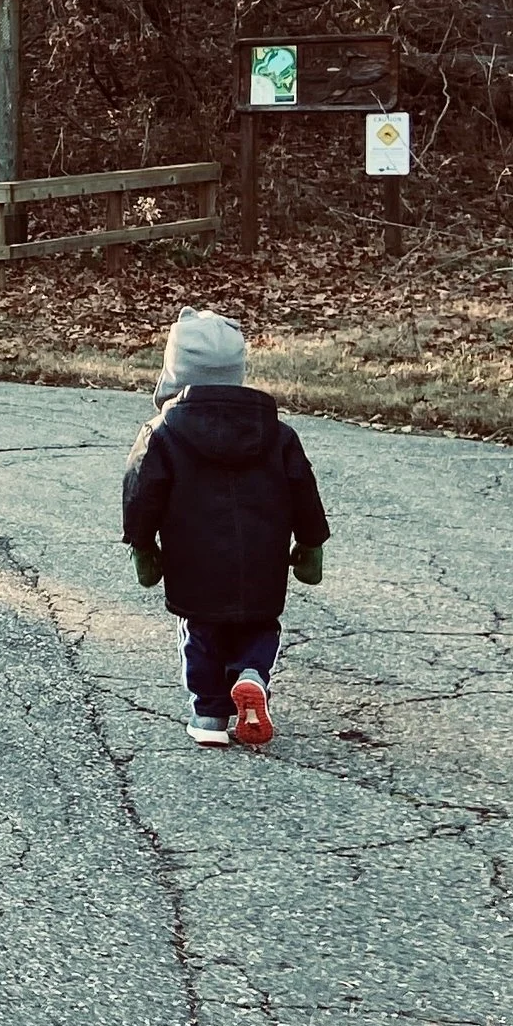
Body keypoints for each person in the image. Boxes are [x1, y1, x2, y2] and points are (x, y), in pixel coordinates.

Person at [122, 308, 331, 748]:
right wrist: (311, 544)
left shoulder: (162, 433)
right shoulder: (278, 433)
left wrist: (142, 545)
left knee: (200, 632)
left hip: (193, 560)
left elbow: (141, 493)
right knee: (259, 624)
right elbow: (304, 491)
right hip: (263, 559)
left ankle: (210, 715)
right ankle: (252, 673)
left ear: (175, 370)